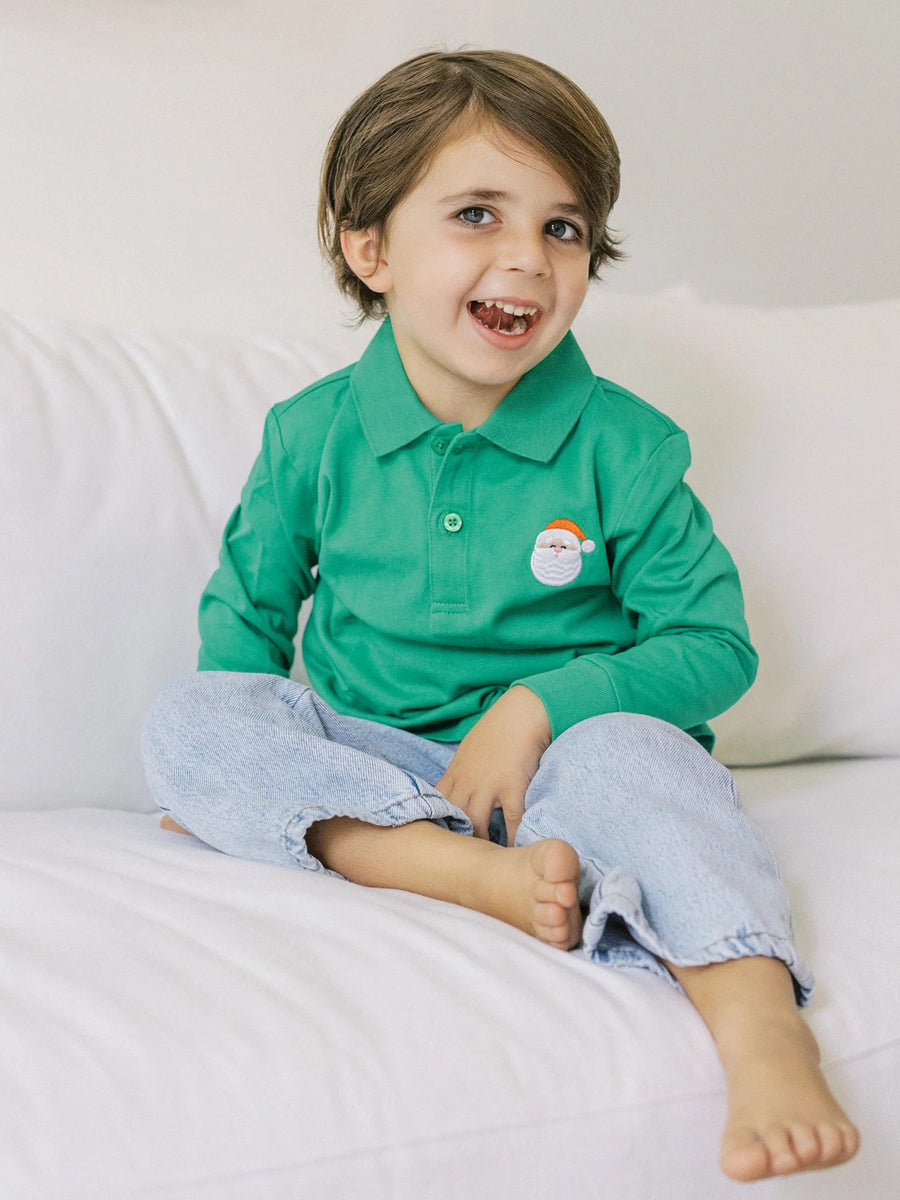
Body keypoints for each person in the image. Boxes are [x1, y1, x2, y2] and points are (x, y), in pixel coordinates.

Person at [141, 49, 859, 1182]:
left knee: (647, 766)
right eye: (478, 214)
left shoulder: (625, 445)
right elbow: (247, 619)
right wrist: (232, 762)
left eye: (563, 228)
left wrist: (536, 707)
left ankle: (759, 1018)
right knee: (188, 722)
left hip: (566, 768)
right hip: (373, 757)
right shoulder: (311, 432)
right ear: (370, 249)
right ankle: (446, 867)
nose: (528, 255)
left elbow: (715, 648)